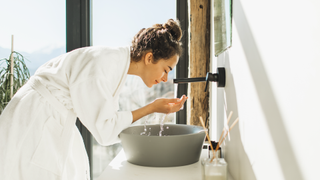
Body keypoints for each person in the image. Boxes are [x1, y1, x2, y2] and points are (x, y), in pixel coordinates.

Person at [0, 19, 187, 180]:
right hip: (36, 117)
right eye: (166, 69)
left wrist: (152, 108)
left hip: (51, 115)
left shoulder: (116, 64)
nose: (165, 78)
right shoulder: (103, 65)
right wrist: (151, 108)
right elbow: (105, 130)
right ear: (149, 57)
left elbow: (109, 123)